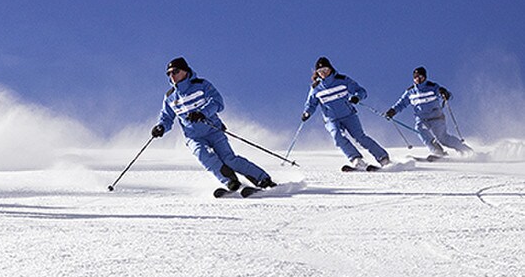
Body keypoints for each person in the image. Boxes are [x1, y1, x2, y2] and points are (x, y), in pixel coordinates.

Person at [150, 57, 275, 192]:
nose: (172, 75)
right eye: (169, 73)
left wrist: (202, 113)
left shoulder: (201, 85)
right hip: (194, 136)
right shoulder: (170, 97)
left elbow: (218, 102)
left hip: (213, 130)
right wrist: (161, 127)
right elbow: (167, 117)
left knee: (229, 159)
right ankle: (231, 182)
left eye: (175, 71)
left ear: (185, 71)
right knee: (203, 156)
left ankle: (263, 179)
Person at [302, 57, 390, 169]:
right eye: (320, 71)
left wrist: (357, 97)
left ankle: (383, 158)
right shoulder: (316, 88)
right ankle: (356, 159)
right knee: (337, 137)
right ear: (317, 73)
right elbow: (311, 104)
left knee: (360, 137)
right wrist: (307, 113)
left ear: (330, 69)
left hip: (348, 115)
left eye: (325, 70)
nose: (323, 73)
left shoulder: (342, 80)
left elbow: (361, 91)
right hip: (331, 119)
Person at [385, 66, 472, 157]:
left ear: (425, 77)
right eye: (416, 77)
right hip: (422, 119)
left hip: (436, 118)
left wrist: (444, 94)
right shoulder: (410, 92)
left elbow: (442, 93)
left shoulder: (432, 87)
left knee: (443, 138)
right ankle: (437, 151)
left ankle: (465, 150)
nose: (418, 79)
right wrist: (392, 111)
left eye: (420, 77)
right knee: (420, 129)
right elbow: (401, 103)